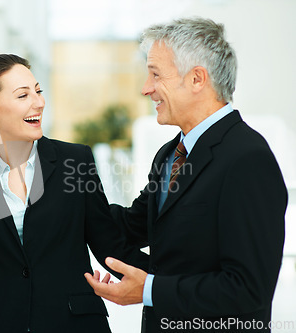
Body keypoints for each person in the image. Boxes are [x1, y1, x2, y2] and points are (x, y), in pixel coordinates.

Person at [84, 17, 287, 332]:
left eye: (155, 74)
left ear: (196, 79)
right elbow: (129, 227)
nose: (145, 88)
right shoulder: (170, 154)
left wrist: (149, 290)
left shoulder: (248, 159)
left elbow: (249, 290)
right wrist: (57, 199)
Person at [0, 54, 146, 333]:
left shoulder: (74, 162)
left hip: (76, 325)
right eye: (23, 95)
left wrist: (169, 282)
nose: (38, 102)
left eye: (38, 91)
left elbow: (109, 243)